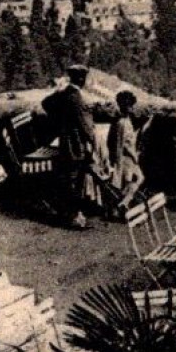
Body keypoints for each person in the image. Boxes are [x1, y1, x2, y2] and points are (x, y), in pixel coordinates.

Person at [42, 65, 104, 230]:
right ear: (81, 79)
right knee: (74, 181)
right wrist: (93, 139)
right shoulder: (75, 97)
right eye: (83, 78)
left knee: (69, 180)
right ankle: (73, 218)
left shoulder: (64, 95)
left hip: (64, 142)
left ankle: (69, 215)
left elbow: (45, 103)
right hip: (75, 145)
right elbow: (86, 126)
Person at [107, 89, 146, 212]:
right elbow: (122, 144)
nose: (132, 108)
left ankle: (122, 203)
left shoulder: (121, 121)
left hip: (126, 157)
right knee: (137, 179)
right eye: (131, 106)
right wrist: (134, 157)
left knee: (132, 181)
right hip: (126, 158)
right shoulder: (123, 123)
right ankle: (123, 202)